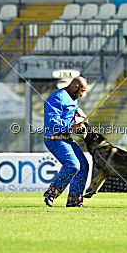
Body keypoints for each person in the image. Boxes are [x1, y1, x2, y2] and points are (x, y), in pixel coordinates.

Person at [43, 76, 89, 207]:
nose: (82, 95)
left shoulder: (73, 99)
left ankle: (74, 201)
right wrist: (70, 127)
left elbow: (70, 118)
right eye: (82, 91)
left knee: (83, 166)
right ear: (75, 87)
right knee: (72, 165)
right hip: (55, 139)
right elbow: (52, 122)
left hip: (66, 138)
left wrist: (78, 122)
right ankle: (51, 193)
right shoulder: (57, 97)